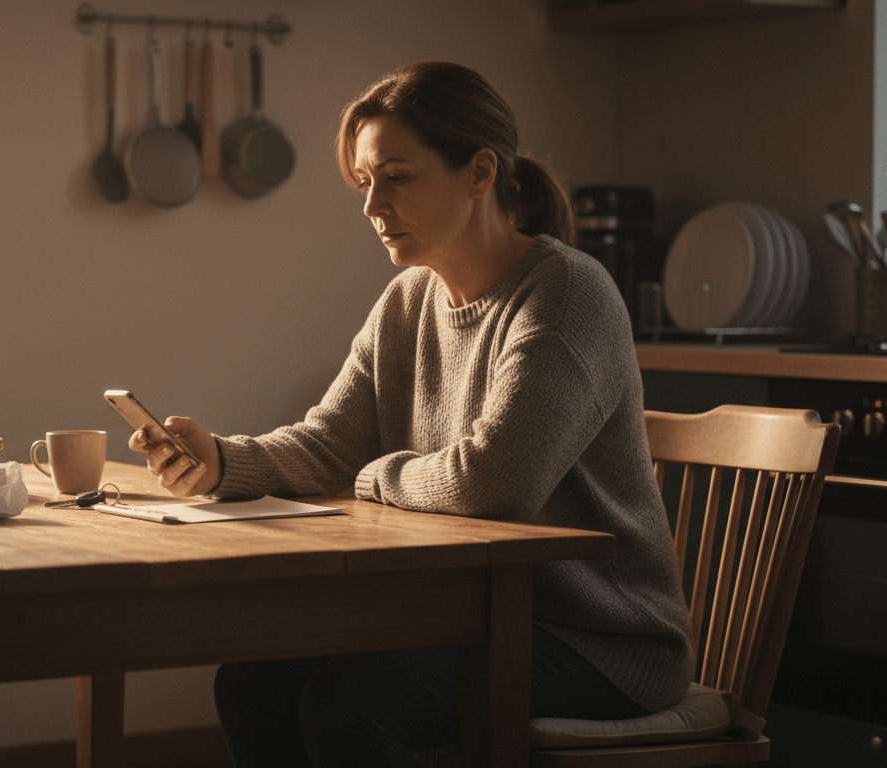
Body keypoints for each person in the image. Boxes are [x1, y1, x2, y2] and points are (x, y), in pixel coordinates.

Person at [128, 61, 693, 768]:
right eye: (365, 183)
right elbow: (330, 442)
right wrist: (222, 459)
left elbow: (496, 483)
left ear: (480, 172)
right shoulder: (407, 301)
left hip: (599, 641)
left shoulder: (568, 295)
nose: (372, 206)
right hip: (475, 618)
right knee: (252, 686)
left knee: (347, 706)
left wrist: (378, 475)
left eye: (396, 177)